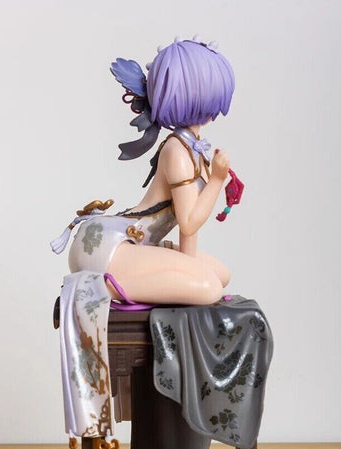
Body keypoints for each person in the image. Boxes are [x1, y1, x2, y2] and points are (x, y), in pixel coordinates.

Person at [65, 37, 235, 306]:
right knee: (209, 287)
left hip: (139, 242)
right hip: (109, 245)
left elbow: (187, 231)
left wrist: (189, 267)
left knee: (220, 275)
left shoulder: (193, 147)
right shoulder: (177, 151)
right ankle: (96, 290)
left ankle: (116, 284)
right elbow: (189, 222)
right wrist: (216, 180)